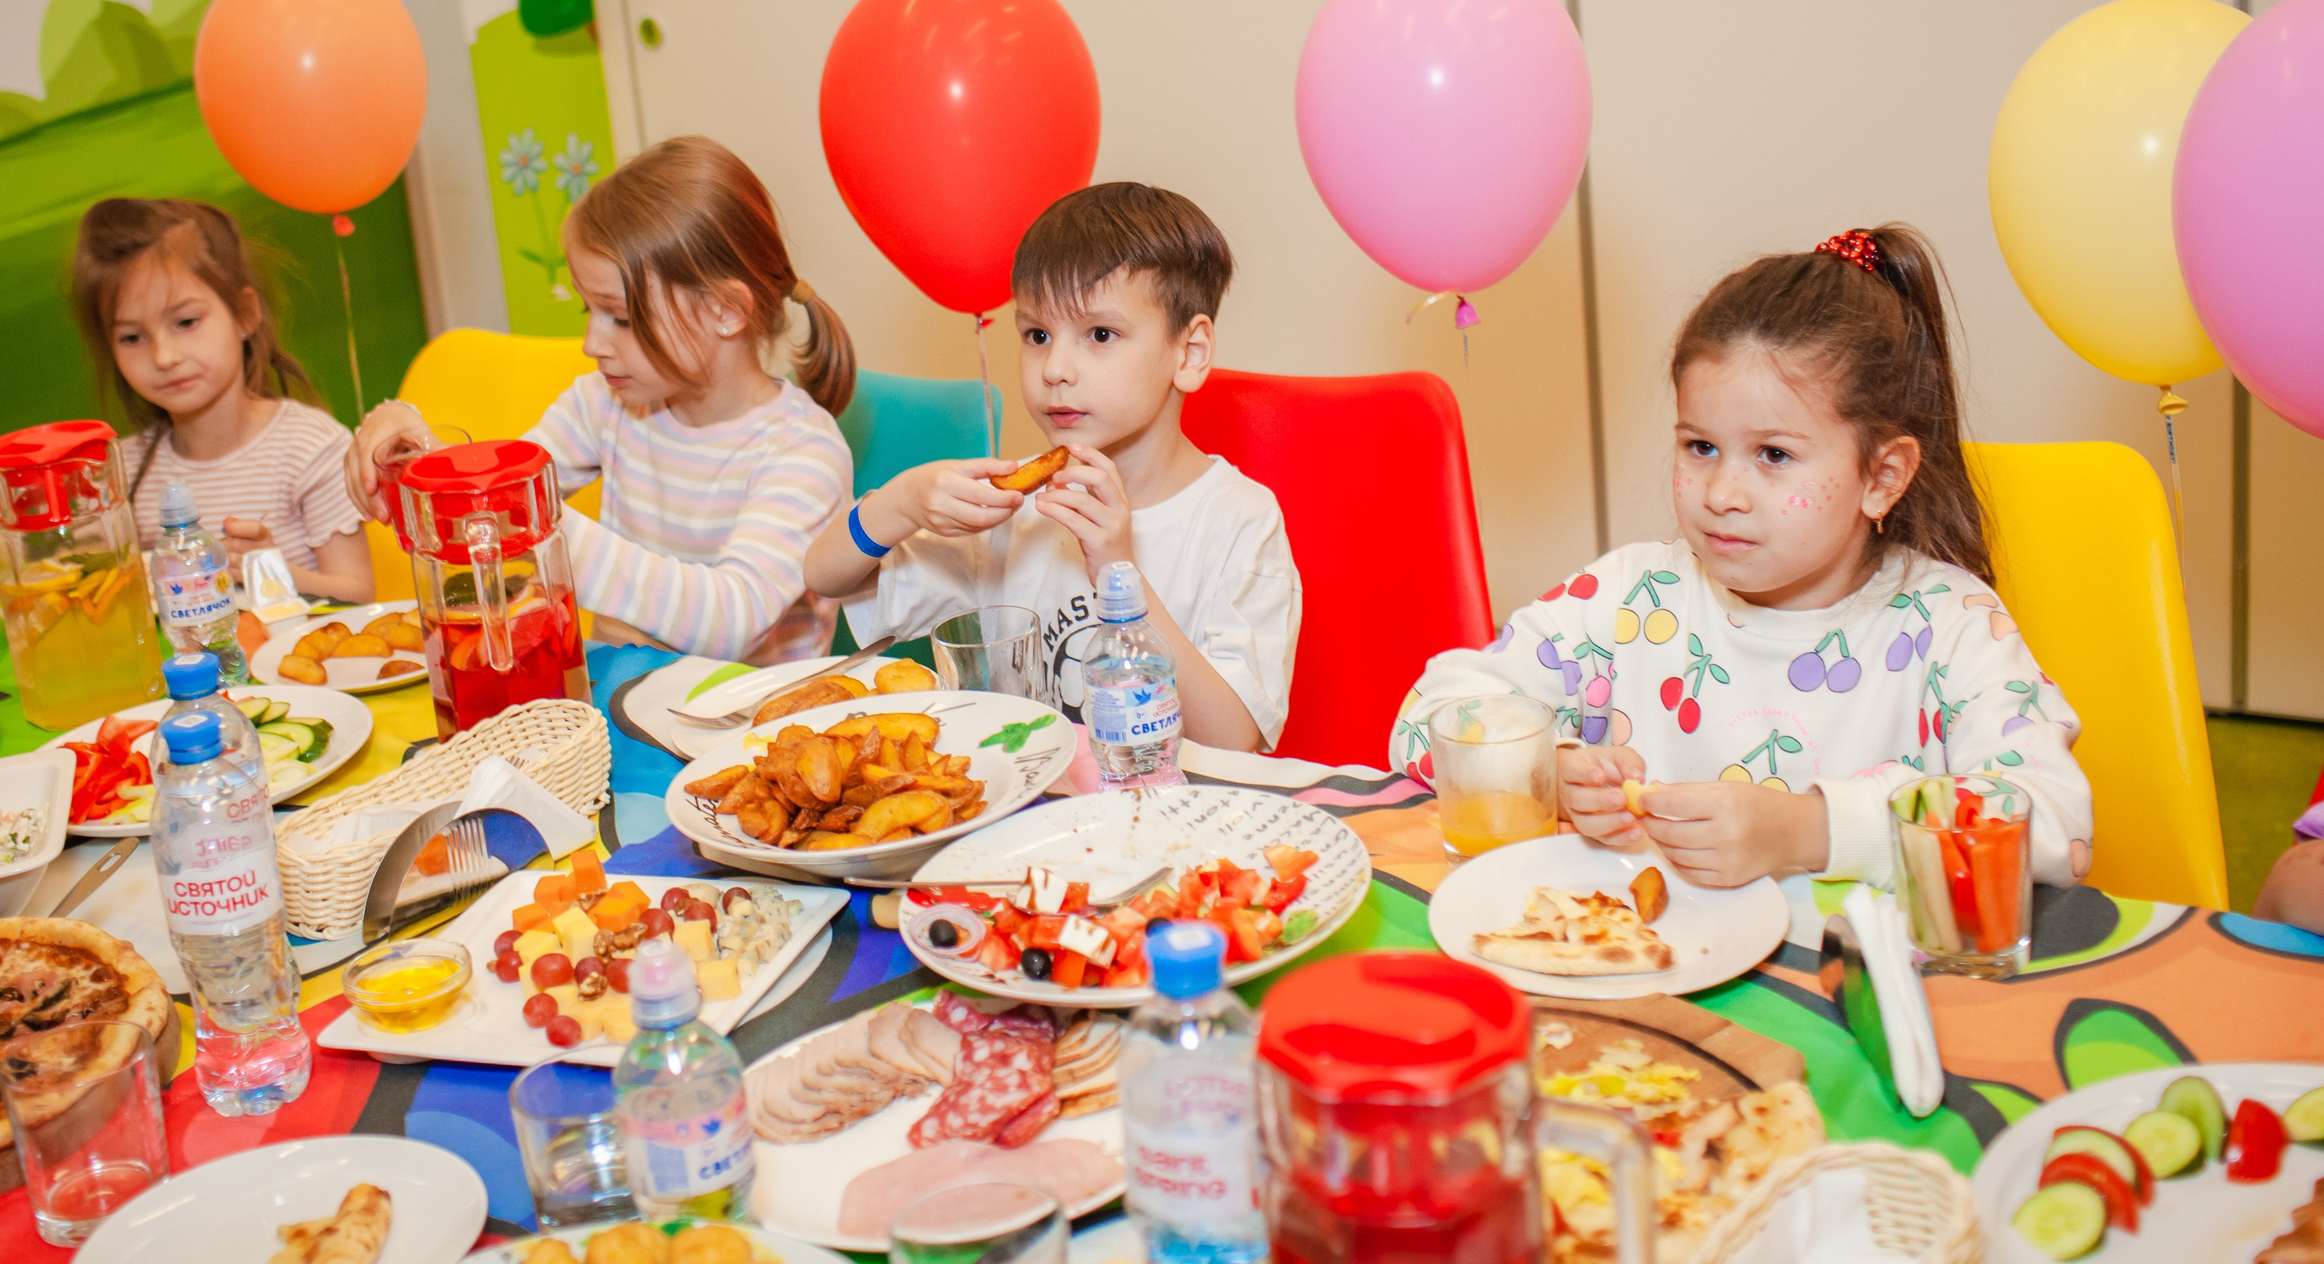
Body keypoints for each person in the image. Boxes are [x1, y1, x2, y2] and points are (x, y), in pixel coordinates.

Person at [1389, 225, 2094, 892]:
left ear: (1882, 477)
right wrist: (1548, 770)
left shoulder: (1949, 627)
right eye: (1701, 447)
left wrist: (1810, 831)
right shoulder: (1629, 601)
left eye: (1774, 455)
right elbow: (1426, 717)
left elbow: (2058, 827)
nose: (1722, 493)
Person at [804, 183, 1298, 752]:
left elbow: (1233, 738)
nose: (1055, 368)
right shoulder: (1015, 510)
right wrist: (900, 503)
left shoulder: (1240, 519)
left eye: (1100, 334)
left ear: (1188, 354)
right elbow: (823, 576)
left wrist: (1120, 574)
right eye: (1037, 334)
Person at [347, 136, 854, 664]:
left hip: (747, 712)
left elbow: (731, 622)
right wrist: (410, 442)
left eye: (622, 317)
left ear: (724, 311)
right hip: (618, 696)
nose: (592, 343)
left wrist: (546, 528)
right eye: (588, 310)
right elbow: (496, 503)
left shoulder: (803, 451)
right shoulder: (604, 404)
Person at [69, 198, 373, 602]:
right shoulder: (119, 473)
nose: (164, 356)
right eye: (132, 337)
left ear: (244, 314)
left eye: (186, 322)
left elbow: (359, 595)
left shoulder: (308, 446)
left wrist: (272, 571)